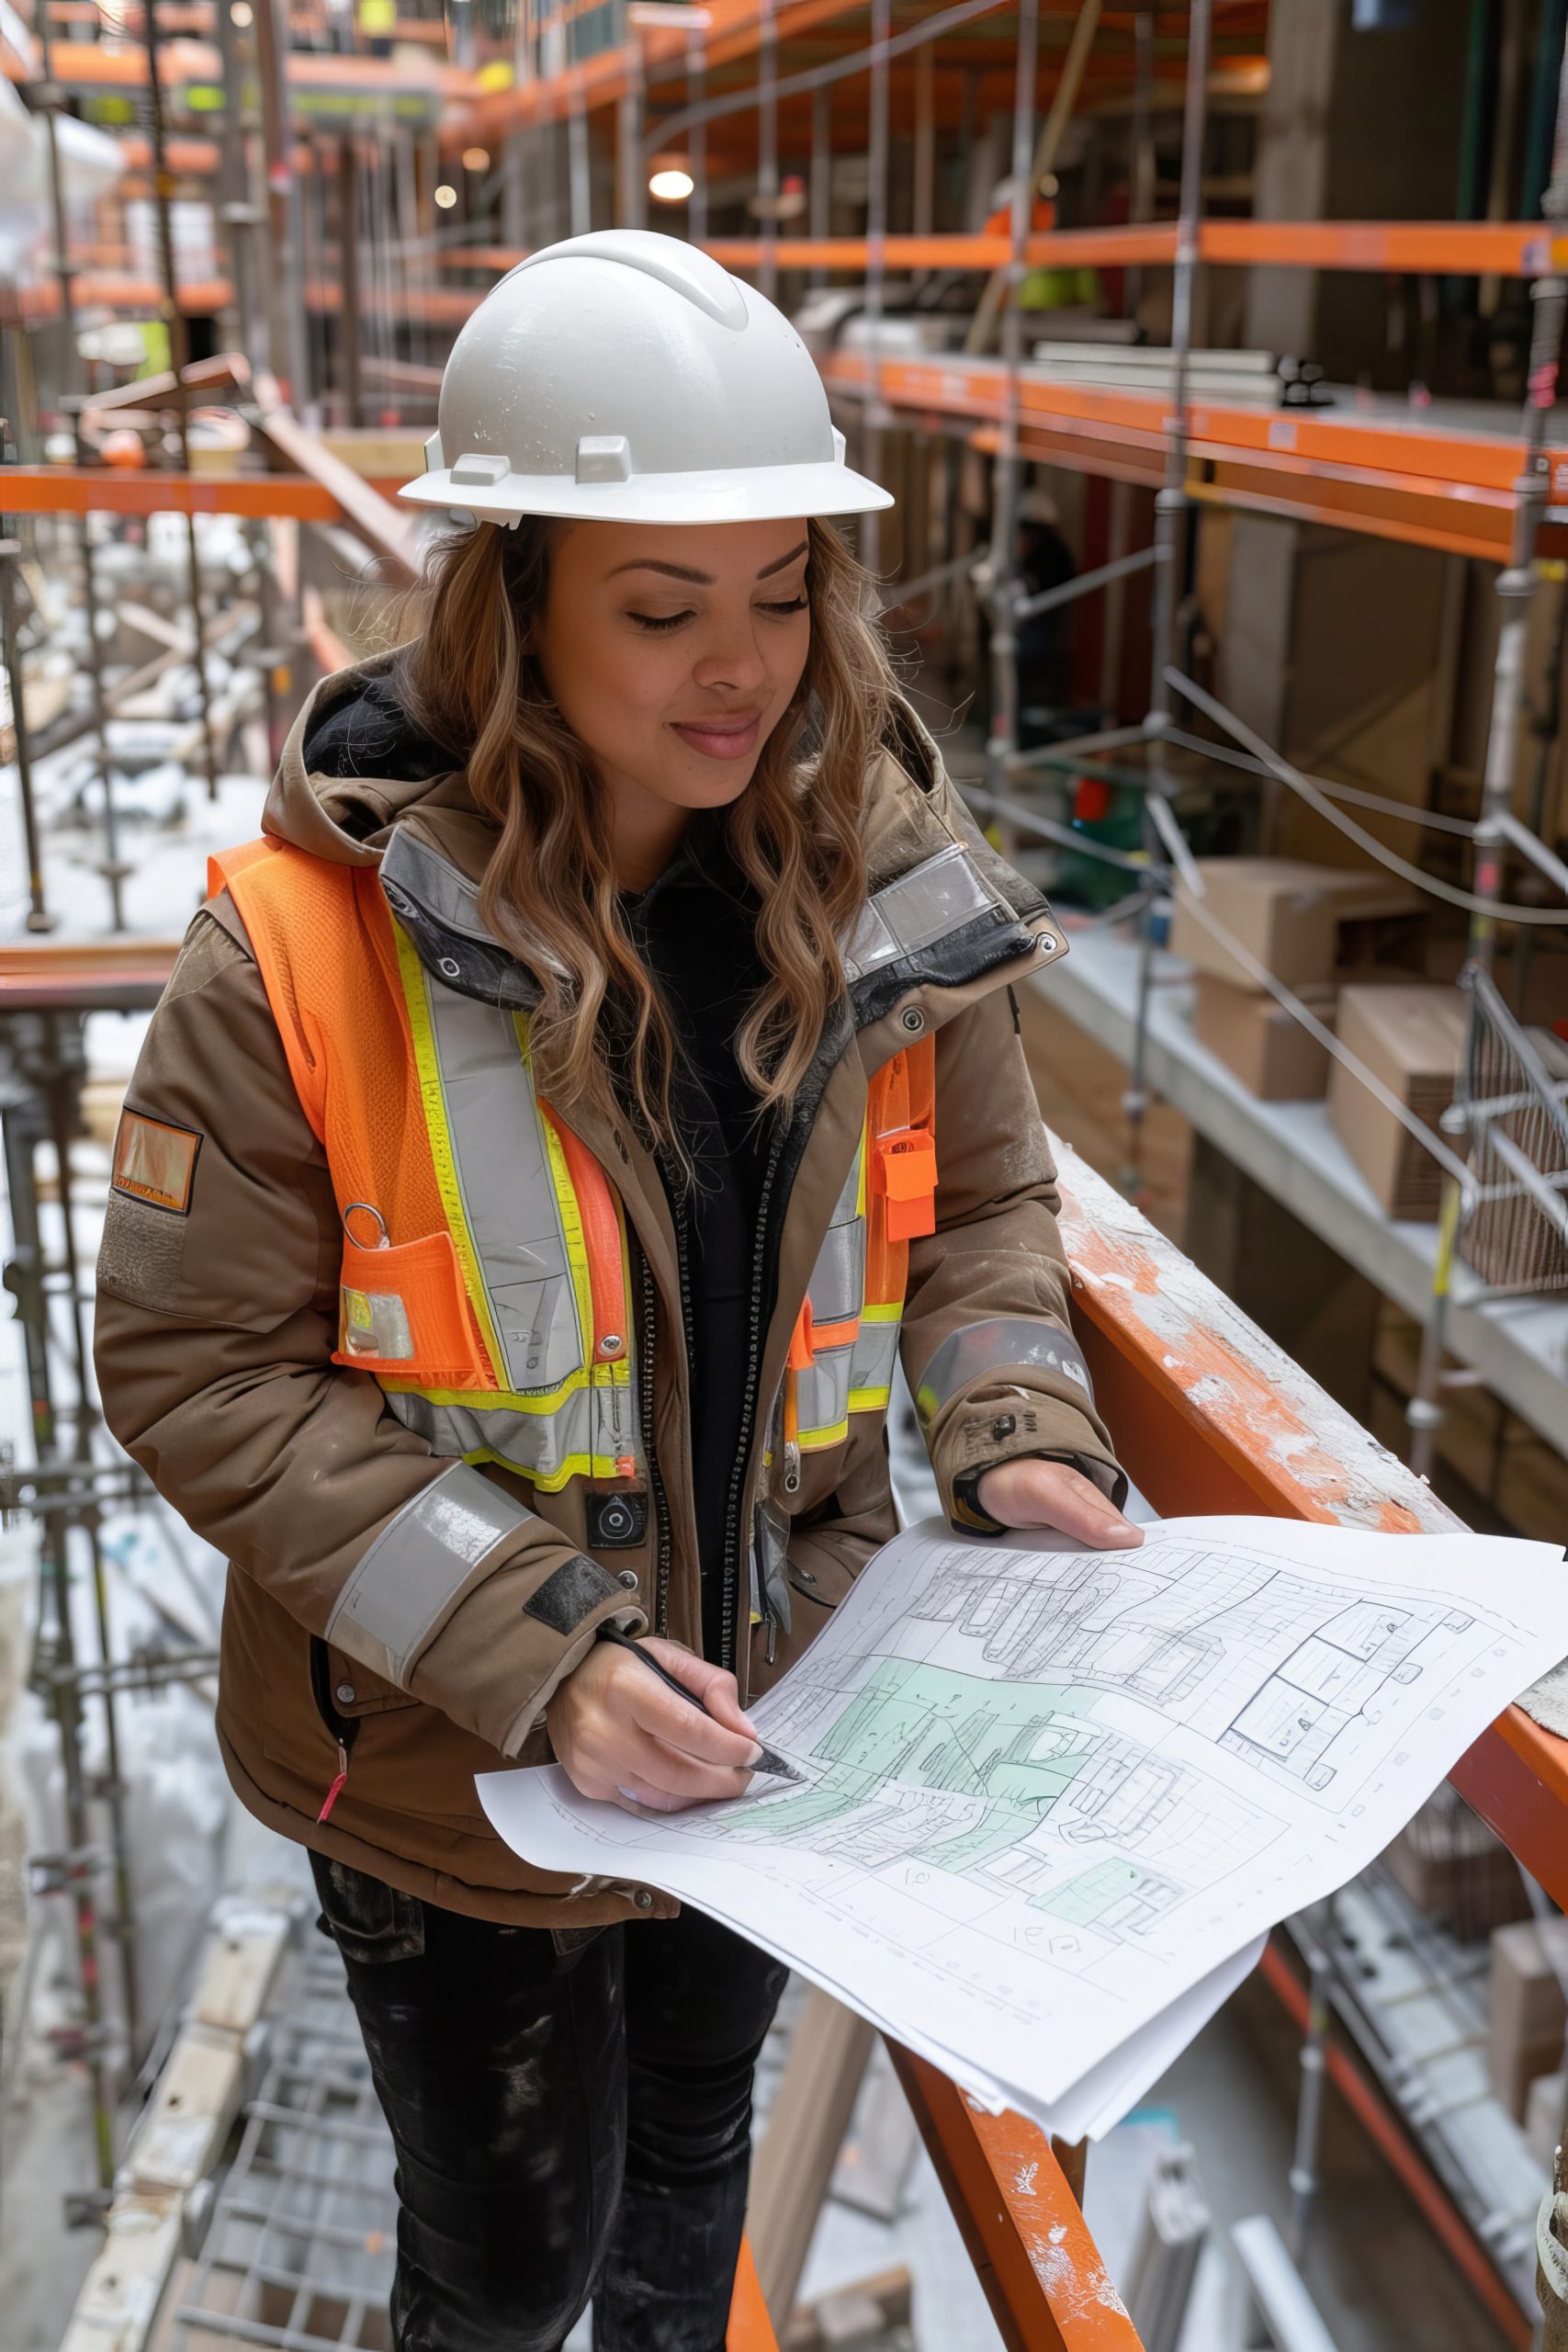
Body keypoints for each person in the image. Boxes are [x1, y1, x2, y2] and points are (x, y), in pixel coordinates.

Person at [94, 230, 1140, 2352]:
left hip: (776, 1718)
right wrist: (539, 1645)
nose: (736, 667)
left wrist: (1013, 1422)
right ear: (513, 610)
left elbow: (988, 1214)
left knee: (689, 2172)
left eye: (780, 596)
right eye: (660, 608)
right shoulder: (306, 951)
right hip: (450, 1781)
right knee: (502, 2265)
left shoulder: (880, 882)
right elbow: (194, 1364)